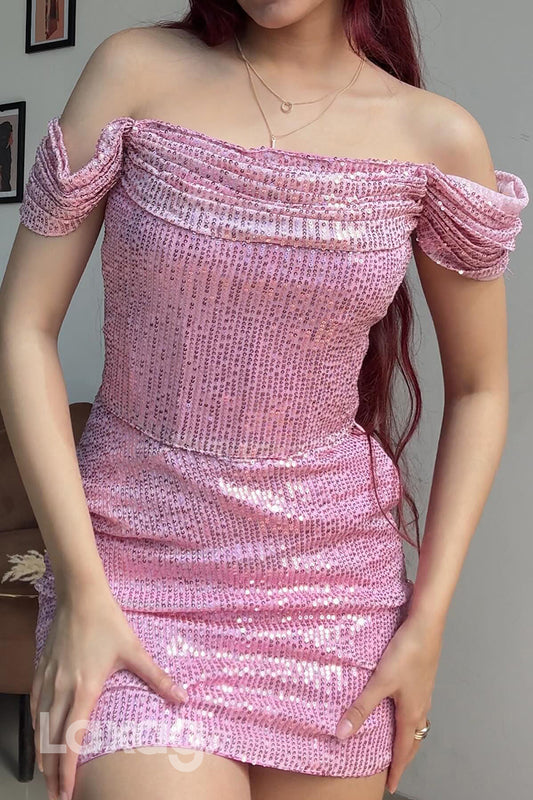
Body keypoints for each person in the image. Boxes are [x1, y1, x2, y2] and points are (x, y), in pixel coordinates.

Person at [0, 3, 528, 800]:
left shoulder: (435, 137)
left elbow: (481, 387)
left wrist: (426, 623)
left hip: (331, 597)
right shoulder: (132, 72)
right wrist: (78, 587)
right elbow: (23, 328)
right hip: (126, 576)